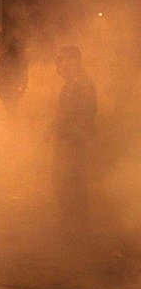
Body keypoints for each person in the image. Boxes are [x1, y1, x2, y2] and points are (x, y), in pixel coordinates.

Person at [52, 45, 97, 231]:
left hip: (73, 141)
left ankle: (75, 225)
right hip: (69, 139)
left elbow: (85, 113)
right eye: (61, 61)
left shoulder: (80, 84)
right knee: (66, 181)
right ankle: (74, 223)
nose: (61, 66)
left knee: (70, 182)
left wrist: (65, 130)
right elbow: (64, 113)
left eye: (64, 60)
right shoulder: (73, 84)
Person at [0, 42, 29, 111]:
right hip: (10, 83)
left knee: (10, 99)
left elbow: (24, 71)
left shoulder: (4, 57)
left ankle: (11, 111)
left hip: (12, 84)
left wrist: (24, 84)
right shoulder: (19, 58)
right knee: (10, 99)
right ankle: (11, 111)